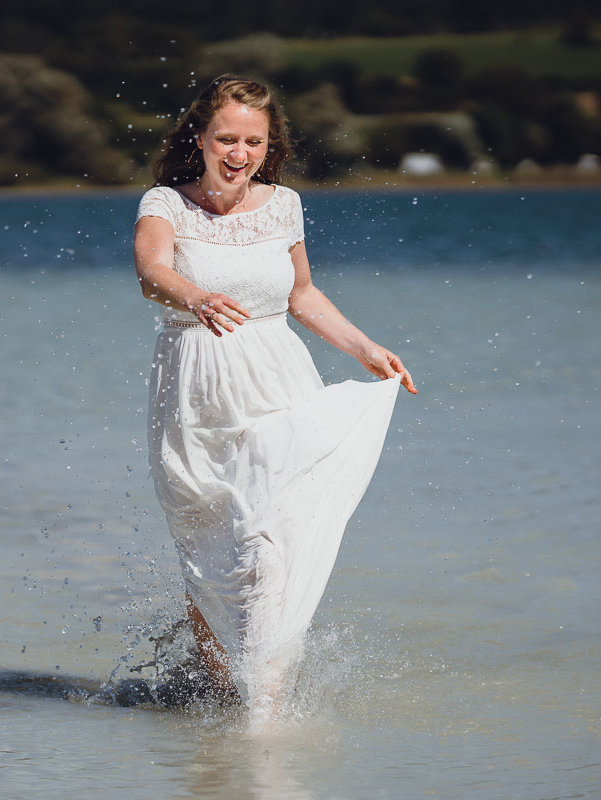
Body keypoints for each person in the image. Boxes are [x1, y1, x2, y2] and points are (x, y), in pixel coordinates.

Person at [132, 75, 417, 719]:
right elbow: (151, 273)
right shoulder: (166, 203)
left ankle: (265, 701)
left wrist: (365, 348)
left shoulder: (284, 205)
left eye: (253, 142)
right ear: (199, 138)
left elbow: (301, 294)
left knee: (274, 537)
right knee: (212, 551)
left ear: (269, 146)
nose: (240, 154)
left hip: (277, 380)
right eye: (226, 139)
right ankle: (220, 698)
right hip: (195, 390)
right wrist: (196, 297)